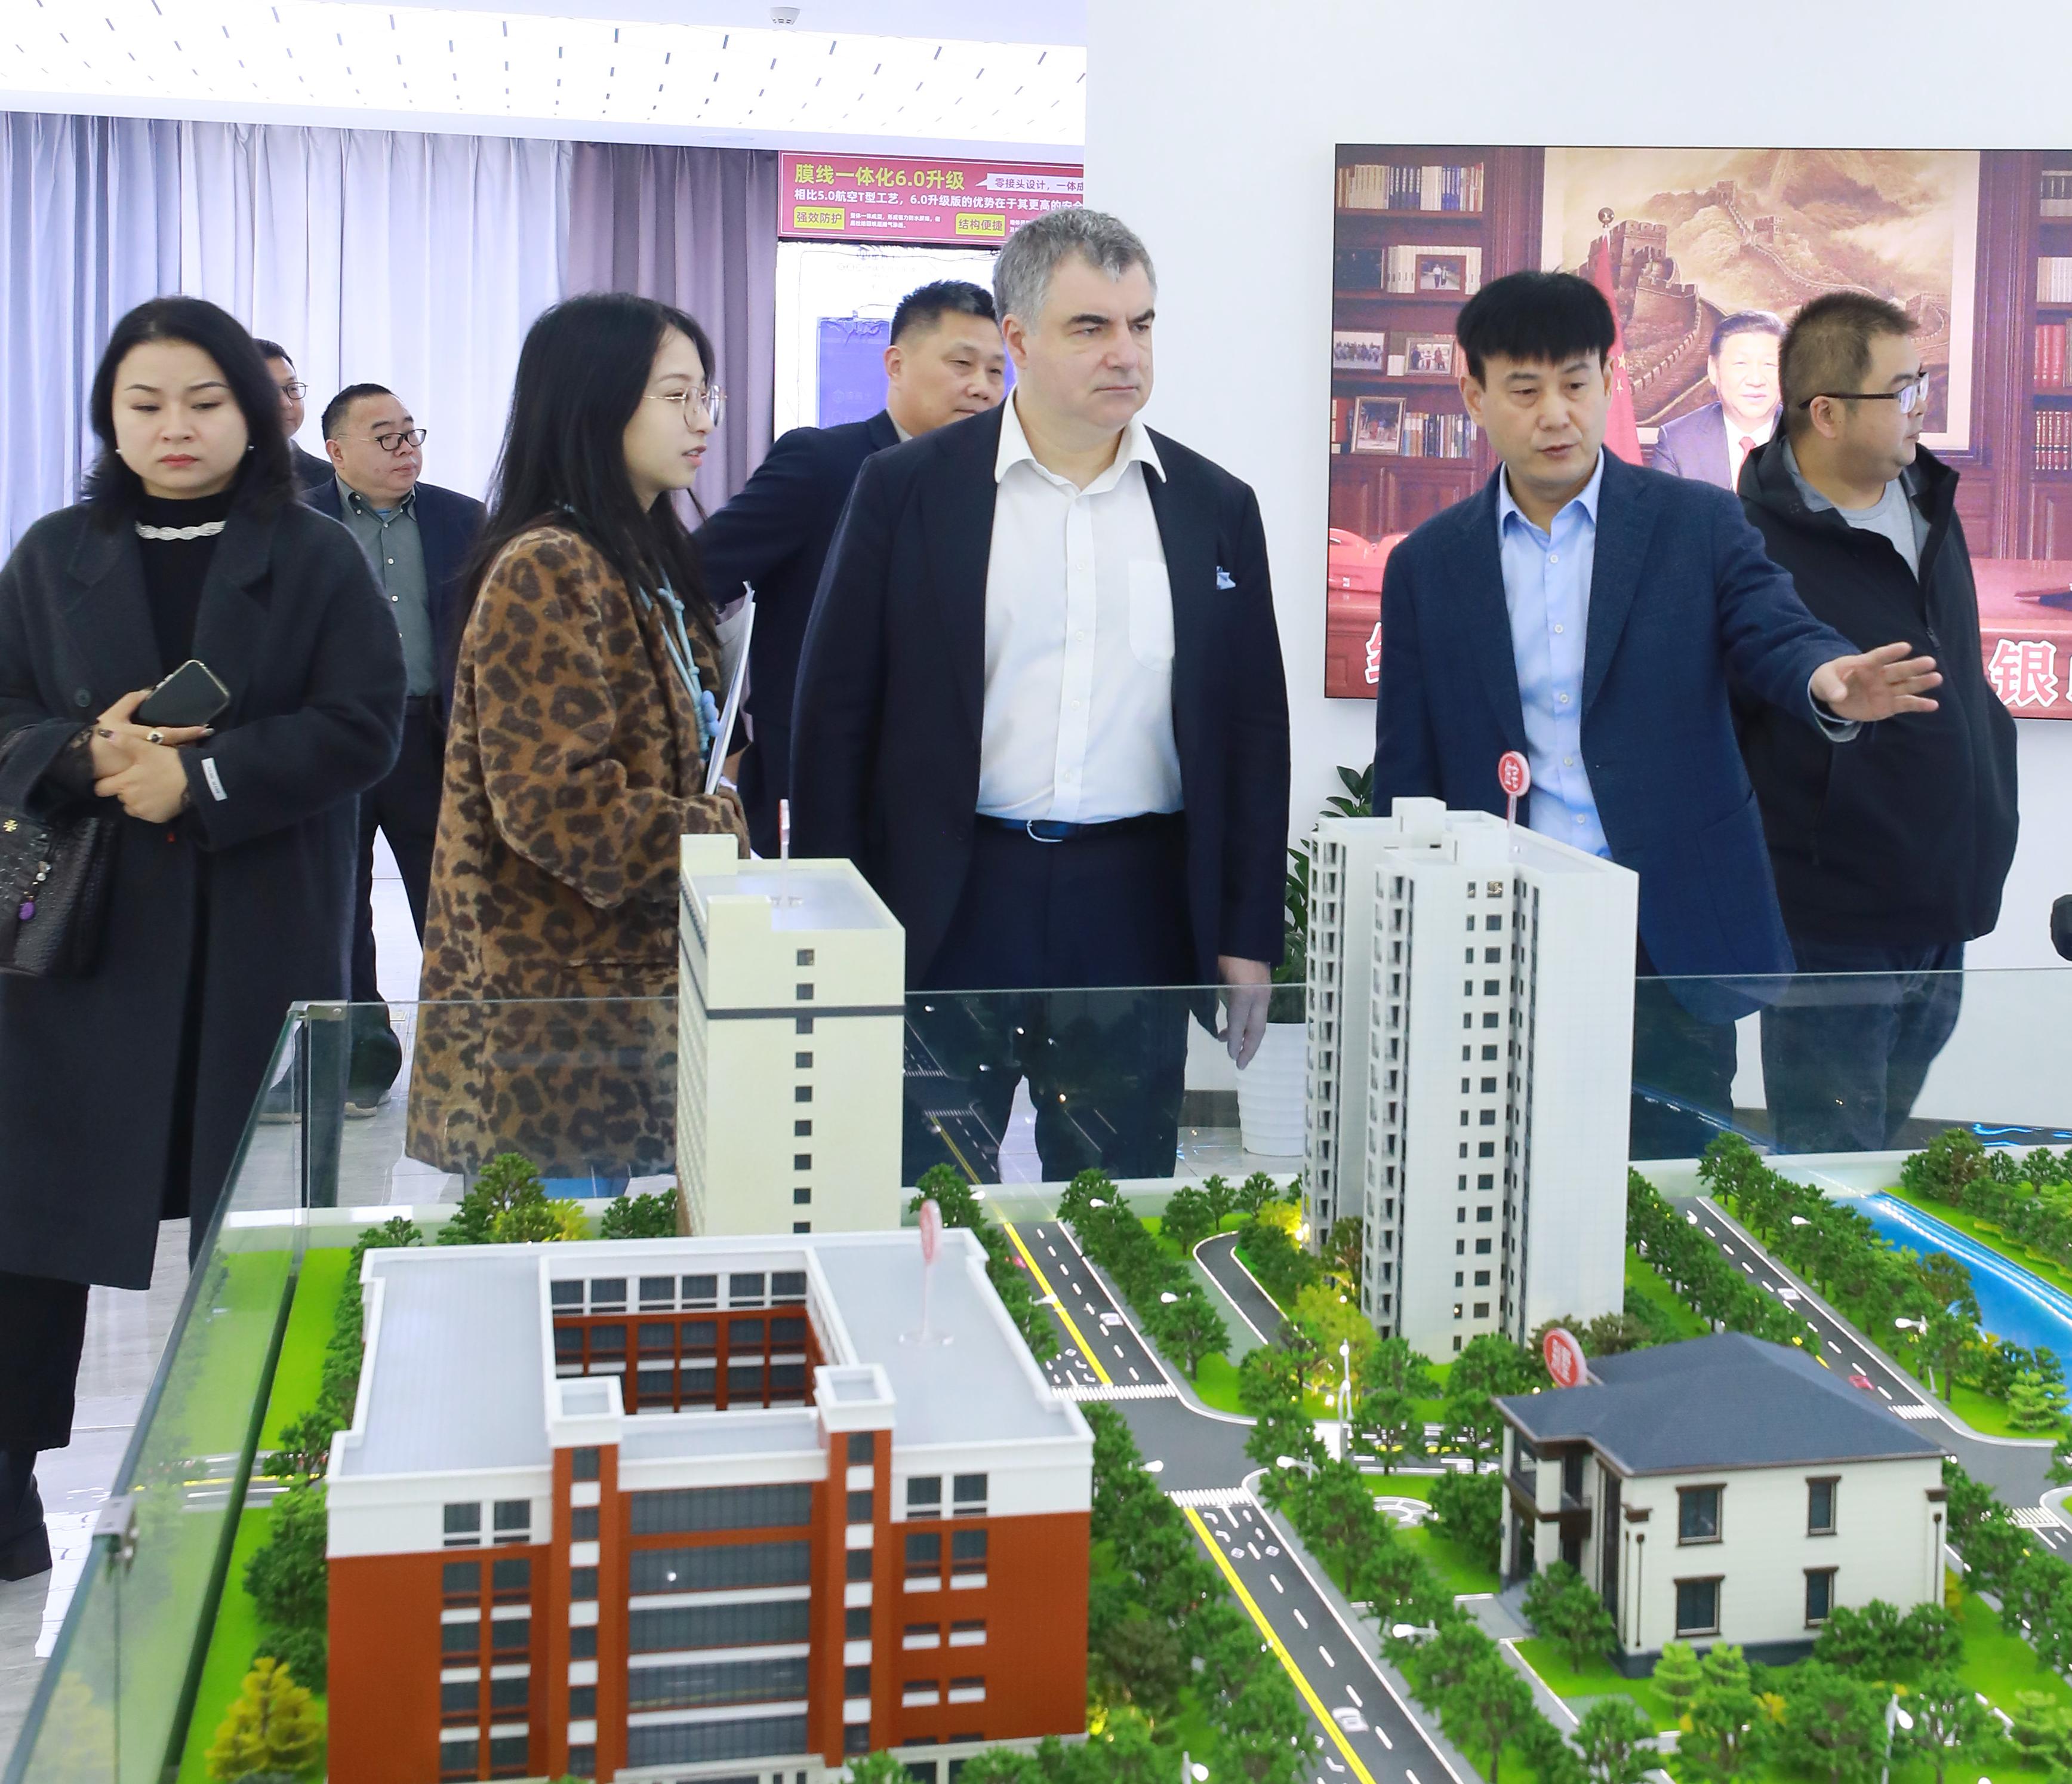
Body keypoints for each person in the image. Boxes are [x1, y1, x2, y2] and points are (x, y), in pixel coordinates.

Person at [0, 297, 402, 1579]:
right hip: (83, 942)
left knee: (258, 1221)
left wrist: (205, 777)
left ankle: (258, 1477)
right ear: (110, 419)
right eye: (145, 404)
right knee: (32, 1220)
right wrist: (82, 752)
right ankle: (7, 1485)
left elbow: (365, 723)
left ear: (254, 412)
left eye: (204, 401)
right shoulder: (52, 553)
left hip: (257, 929)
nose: (174, 426)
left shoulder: (316, 553)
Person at [1369, 270, 1941, 1159]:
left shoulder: (1696, 524)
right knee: (1496, 1161)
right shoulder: (1428, 565)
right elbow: (1407, 769)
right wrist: (1400, 932)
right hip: (1498, 920)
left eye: (1576, 383)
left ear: (1609, 378)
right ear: (1474, 395)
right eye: (1524, 391)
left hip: (1664, 919)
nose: (1555, 415)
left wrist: (1823, 676)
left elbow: (1771, 626)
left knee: (1667, 1172)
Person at [792, 207, 1289, 1185]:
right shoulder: (906, 490)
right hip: (951, 897)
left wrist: (1245, 936)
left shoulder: (1213, 508)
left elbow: (1251, 734)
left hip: (1133, 908)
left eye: (1140, 325)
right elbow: (834, 720)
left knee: (1116, 1200)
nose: (1125, 354)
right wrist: (834, 925)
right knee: (924, 1193)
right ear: (1017, 340)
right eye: (1090, 327)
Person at [406, 293, 746, 1191]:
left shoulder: (638, 554)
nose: (702, 421)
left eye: (706, 395)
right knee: (556, 1255)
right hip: (550, 1016)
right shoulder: (547, 564)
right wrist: (721, 824)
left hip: (620, 991)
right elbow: (558, 809)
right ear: (595, 402)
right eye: (675, 396)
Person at [1738, 293, 2018, 1152]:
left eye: (1921, 382)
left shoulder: (1928, 498)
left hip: (1945, 891)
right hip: (1835, 916)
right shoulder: (1746, 544)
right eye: (1901, 391)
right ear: (1825, 412)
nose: (1920, 407)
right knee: (1828, 1160)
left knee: (1889, 1148)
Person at [695, 280, 1006, 855]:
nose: (981, 387)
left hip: (953, 795)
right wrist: (727, 743)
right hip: (820, 785)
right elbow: (685, 584)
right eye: (961, 364)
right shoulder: (823, 464)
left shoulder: (998, 488)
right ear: (895, 364)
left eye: (996, 371)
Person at [306, 384, 485, 1115]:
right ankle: (362, 1061)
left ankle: (463, 1061)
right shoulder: (301, 527)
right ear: (336, 451)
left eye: (412, 434)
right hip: (336, 744)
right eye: (386, 437)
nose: (406, 448)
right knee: (342, 909)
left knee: (449, 904)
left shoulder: (462, 520)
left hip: (430, 738)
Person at [1650, 310, 1785, 491]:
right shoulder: (1678, 442)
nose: (1756, 380)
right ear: (1714, 370)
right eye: (1741, 364)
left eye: (1770, 365)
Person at [254, 339, 337, 494]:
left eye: (292, 388)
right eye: (269, 391)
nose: (286, 404)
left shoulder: (331, 480)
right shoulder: (214, 476)